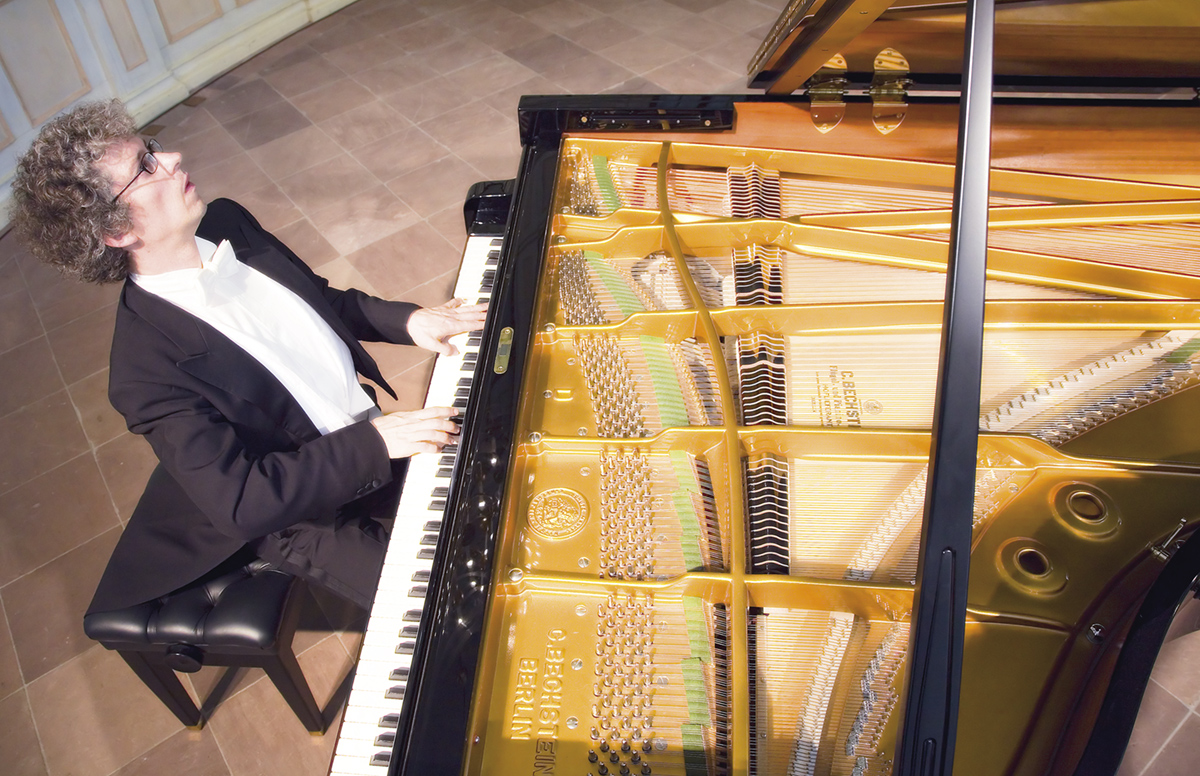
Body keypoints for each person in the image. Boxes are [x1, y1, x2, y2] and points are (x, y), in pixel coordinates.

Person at [10, 99, 486, 613]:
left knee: (503, 478)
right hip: (305, 514)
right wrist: (374, 442)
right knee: (454, 605)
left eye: (151, 147)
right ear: (118, 232)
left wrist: (410, 321)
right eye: (145, 166)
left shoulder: (228, 221)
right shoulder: (144, 372)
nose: (171, 157)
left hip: (369, 440)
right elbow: (243, 502)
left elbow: (319, 298)